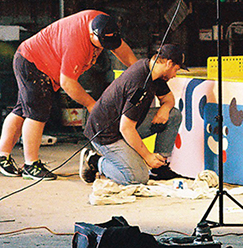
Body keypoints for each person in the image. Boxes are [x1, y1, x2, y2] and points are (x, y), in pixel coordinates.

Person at [0, 10, 137, 181]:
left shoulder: (104, 23)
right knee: (37, 113)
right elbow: (68, 83)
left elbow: (120, 48)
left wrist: (139, 69)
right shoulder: (77, 42)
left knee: (22, 110)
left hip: (36, 60)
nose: (105, 47)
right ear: (92, 34)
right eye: (102, 43)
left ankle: (0, 156)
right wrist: (91, 104)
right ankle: (31, 165)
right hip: (33, 63)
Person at [79, 43, 186, 185]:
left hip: (125, 126)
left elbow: (168, 99)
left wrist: (164, 110)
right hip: (105, 134)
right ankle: (94, 161)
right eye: (176, 70)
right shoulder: (140, 84)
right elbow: (126, 127)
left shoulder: (152, 72)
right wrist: (147, 157)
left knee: (173, 115)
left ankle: (159, 168)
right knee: (138, 178)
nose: (174, 75)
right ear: (168, 63)